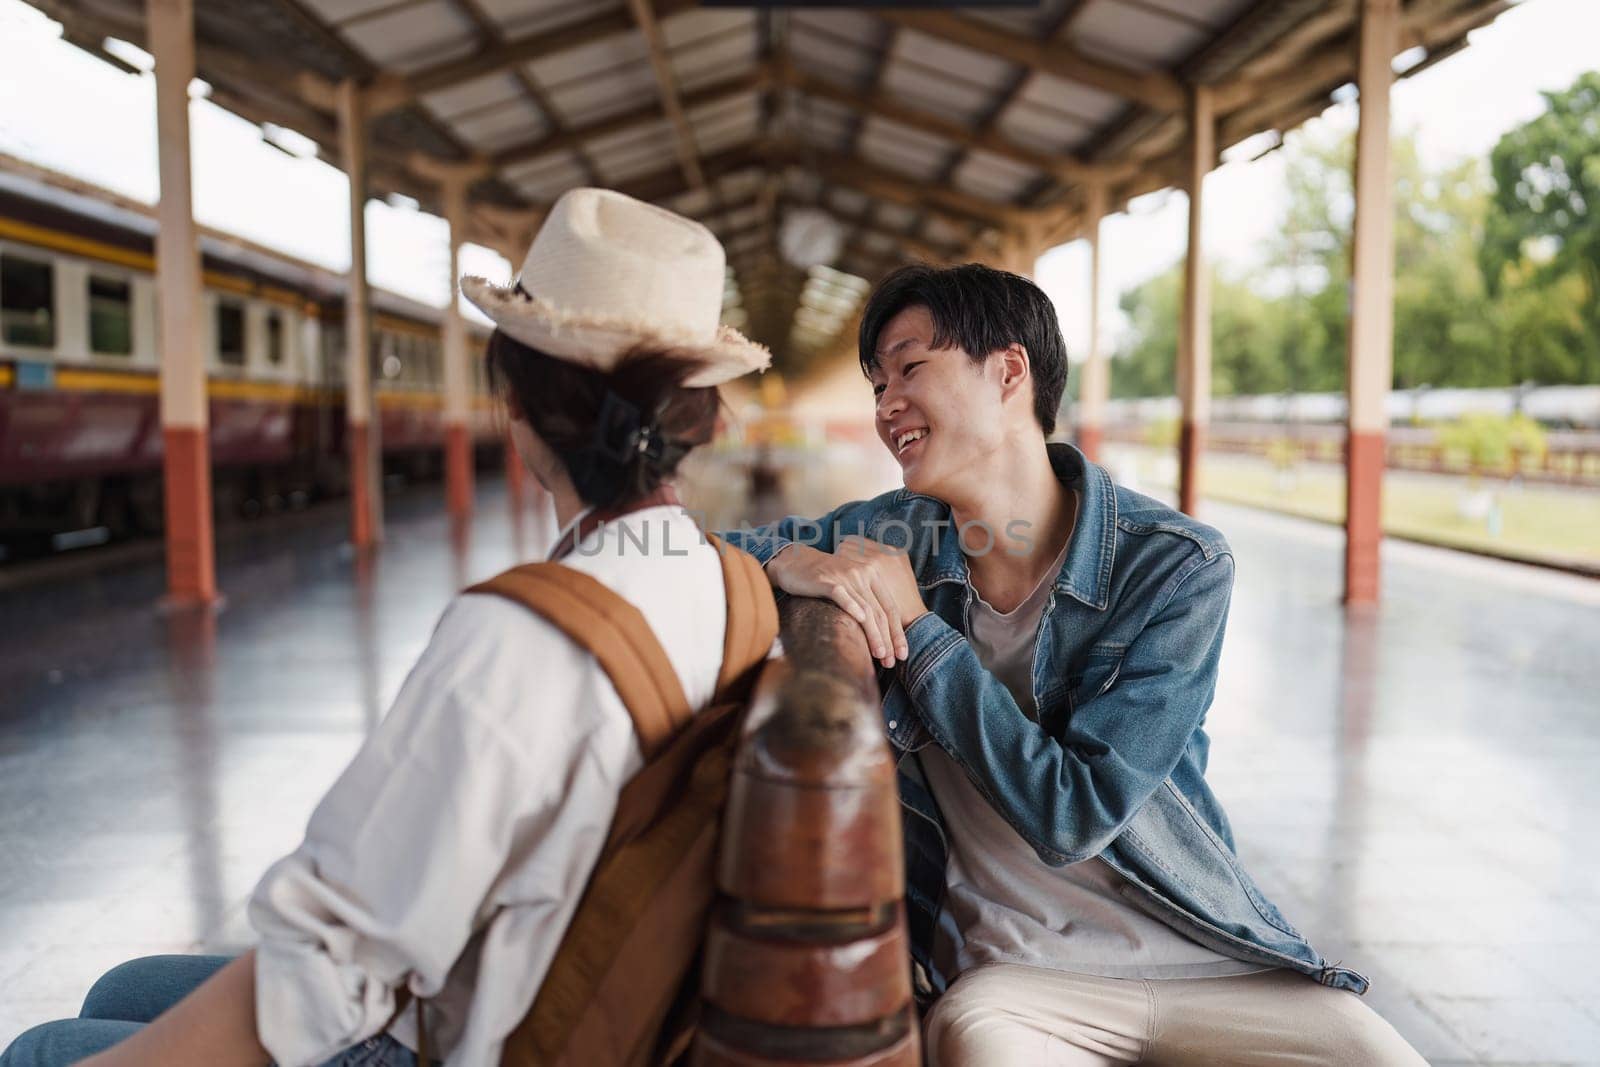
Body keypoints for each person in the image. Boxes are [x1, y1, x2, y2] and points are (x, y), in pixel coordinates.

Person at [0, 187, 771, 1067]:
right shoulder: (732, 582)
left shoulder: (523, 634)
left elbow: (329, 967)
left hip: (479, 1033)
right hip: (593, 992)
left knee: (44, 1049)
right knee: (122, 990)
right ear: (699, 420)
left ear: (516, 399)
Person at [719, 263, 1427, 1065]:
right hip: (1018, 981)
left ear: (1010, 371)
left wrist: (920, 630)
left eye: (910, 368)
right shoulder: (895, 531)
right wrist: (788, 564)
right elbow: (696, 550)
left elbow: (1077, 812)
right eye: (878, 383)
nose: (885, 406)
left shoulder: (1174, 566)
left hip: (1205, 961)